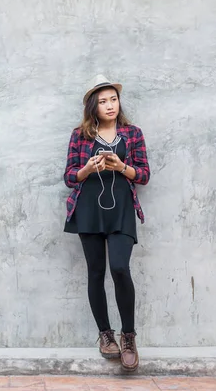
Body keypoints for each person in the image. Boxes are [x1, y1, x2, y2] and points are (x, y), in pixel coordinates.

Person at [63, 74, 150, 372]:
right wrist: (87, 168)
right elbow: (68, 176)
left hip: (122, 209)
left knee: (120, 268)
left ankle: (129, 336)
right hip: (88, 209)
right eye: (103, 101)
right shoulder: (80, 135)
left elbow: (144, 175)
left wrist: (122, 166)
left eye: (113, 99)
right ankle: (105, 335)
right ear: (93, 106)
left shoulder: (133, 133)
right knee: (96, 271)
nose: (110, 105)